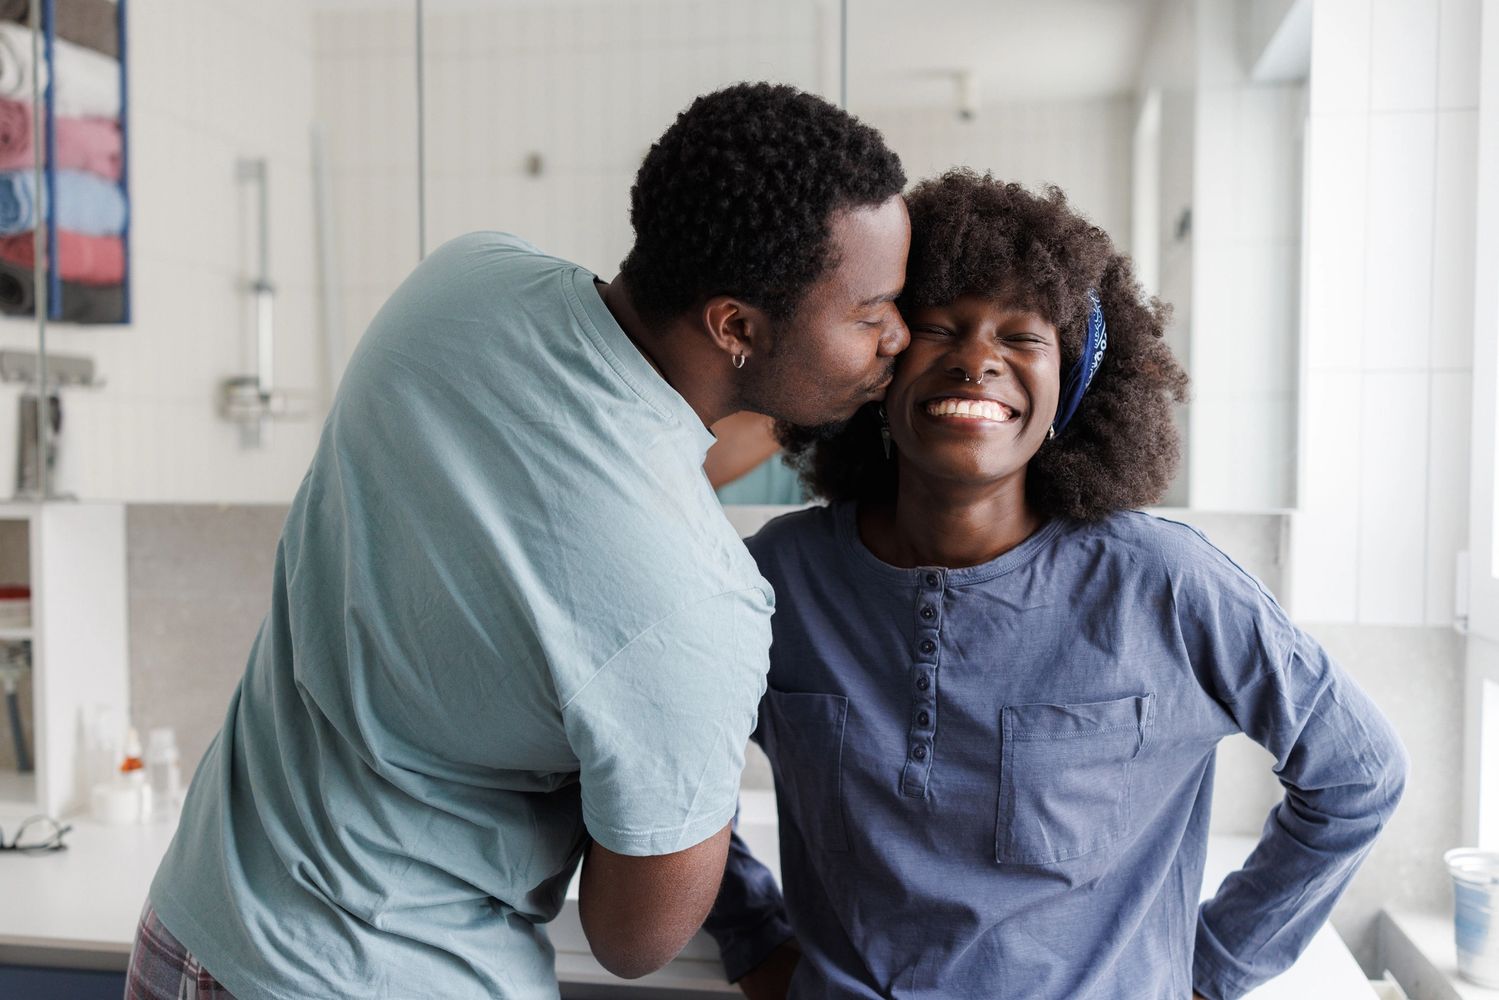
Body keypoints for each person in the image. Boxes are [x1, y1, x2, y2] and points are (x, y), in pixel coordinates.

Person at [127, 83, 911, 1000]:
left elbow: (593, 453)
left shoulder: (458, 282)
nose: (897, 336)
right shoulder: (700, 609)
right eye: (870, 315)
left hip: (192, 932)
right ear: (735, 324)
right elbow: (634, 937)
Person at [704, 170, 1407, 1000]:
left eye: (1021, 336)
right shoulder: (783, 577)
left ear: (1071, 384)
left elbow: (1357, 775)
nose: (976, 360)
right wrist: (753, 934)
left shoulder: (1165, 586)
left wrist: (1210, 971)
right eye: (939, 327)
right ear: (881, 363)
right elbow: (664, 761)